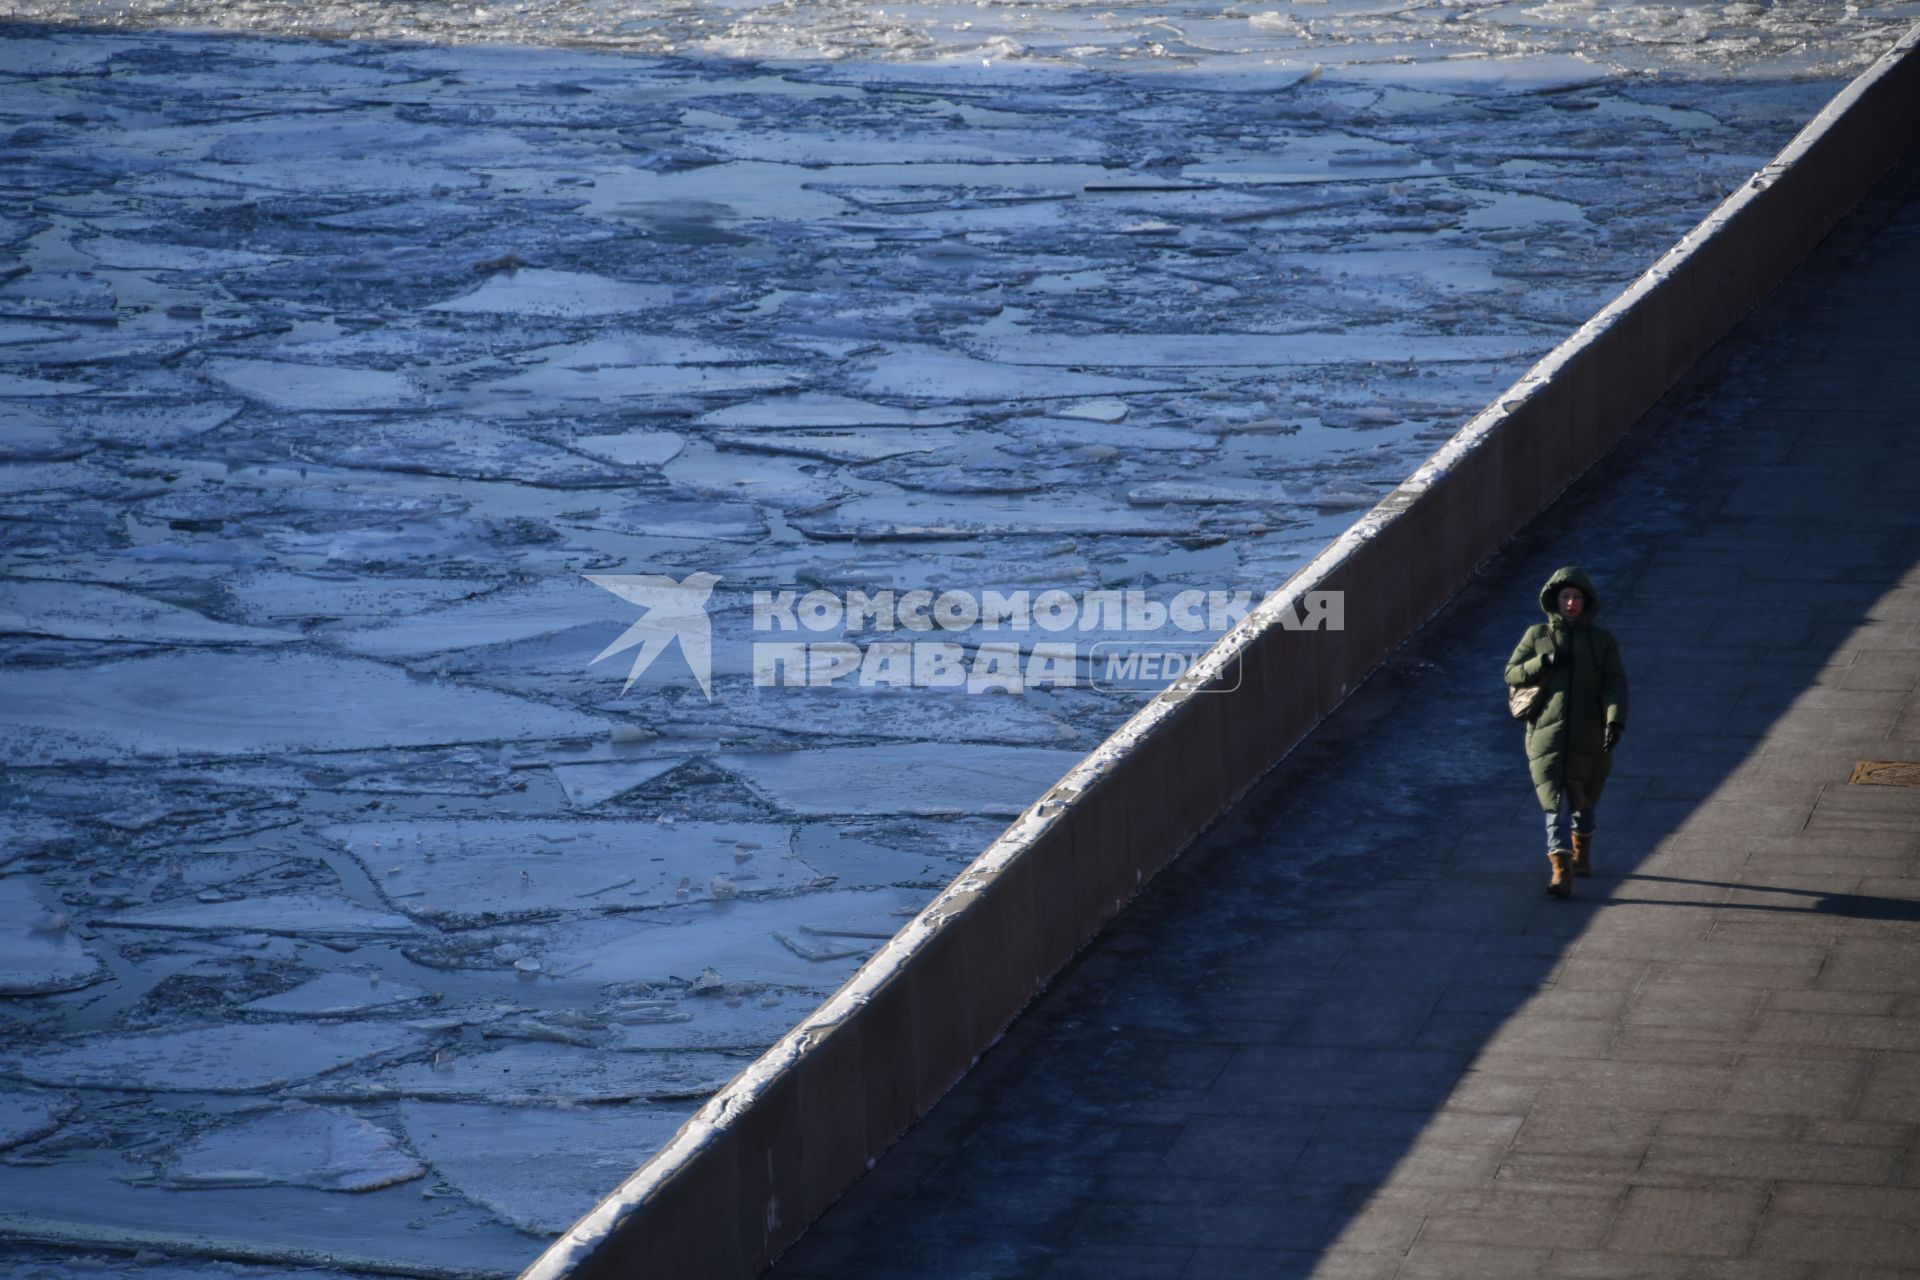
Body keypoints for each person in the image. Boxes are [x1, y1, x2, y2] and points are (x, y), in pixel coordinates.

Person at [1504, 566, 1628, 898]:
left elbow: (1615, 685)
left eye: (1576, 597)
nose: (1570, 603)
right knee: (1552, 801)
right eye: (1564, 597)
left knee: (1584, 801)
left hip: (1590, 734)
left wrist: (1615, 721)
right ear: (1554, 601)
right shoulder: (1536, 635)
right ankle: (1560, 869)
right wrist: (1542, 662)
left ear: (1586, 601)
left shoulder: (1602, 642)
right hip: (1546, 735)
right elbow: (1512, 674)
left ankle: (1581, 851)